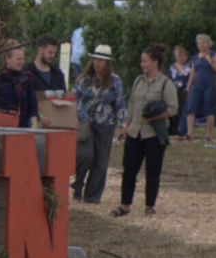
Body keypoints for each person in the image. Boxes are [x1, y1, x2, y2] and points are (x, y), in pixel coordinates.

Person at [114, 44, 178, 216]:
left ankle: (150, 205)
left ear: (155, 62)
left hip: (153, 134)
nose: (142, 64)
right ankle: (125, 204)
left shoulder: (166, 84)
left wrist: (154, 118)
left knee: (153, 170)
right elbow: (132, 105)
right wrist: (125, 128)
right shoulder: (138, 81)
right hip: (135, 131)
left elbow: (173, 108)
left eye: (145, 61)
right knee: (129, 169)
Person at [73, 45, 124, 204]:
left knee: (101, 162)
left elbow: (119, 103)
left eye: (101, 59)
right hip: (85, 124)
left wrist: (123, 125)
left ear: (107, 62)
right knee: (85, 156)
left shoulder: (114, 80)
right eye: (95, 58)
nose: (97, 62)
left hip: (106, 124)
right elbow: (74, 100)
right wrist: (78, 117)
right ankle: (78, 183)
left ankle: (92, 196)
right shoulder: (83, 79)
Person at [184, 33, 216, 145]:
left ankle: (209, 135)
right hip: (196, 85)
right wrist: (188, 86)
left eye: (203, 43)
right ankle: (189, 133)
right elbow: (193, 72)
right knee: (191, 108)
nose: (201, 45)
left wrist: (210, 60)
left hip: (209, 85)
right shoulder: (195, 57)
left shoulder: (214, 54)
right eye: (199, 43)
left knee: (209, 109)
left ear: (208, 43)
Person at [0, 43, 37, 127]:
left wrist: (34, 124)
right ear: (7, 59)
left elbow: (33, 104)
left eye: (23, 59)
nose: (22, 62)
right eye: (18, 59)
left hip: (21, 128)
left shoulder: (26, 80)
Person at [168, 44, 194, 138]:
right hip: (174, 90)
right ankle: (173, 128)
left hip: (187, 88)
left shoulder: (190, 65)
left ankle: (184, 129)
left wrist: (188, 89)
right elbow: (169, 79)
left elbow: (192, 77)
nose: (180, 57)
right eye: (178, 56)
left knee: (184, 109)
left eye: (182, 55)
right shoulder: (172, 67)